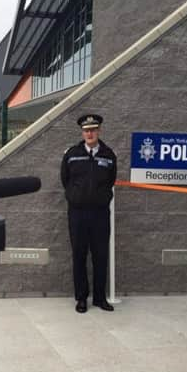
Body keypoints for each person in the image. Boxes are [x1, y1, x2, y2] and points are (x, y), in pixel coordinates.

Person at [60, 114, 117, 313]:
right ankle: (81, 298)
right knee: (79, 255)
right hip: (77, 214)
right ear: (82, 132)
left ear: (99, 130)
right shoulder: (72, 154)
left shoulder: (108, 154)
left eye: (93, 129)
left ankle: (100, 298)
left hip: (100, 214)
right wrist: (75, 197)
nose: (90, 133)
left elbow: (111, 181)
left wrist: (101, 198)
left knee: (101, 256)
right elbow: (65, 180)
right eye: (86, 130)